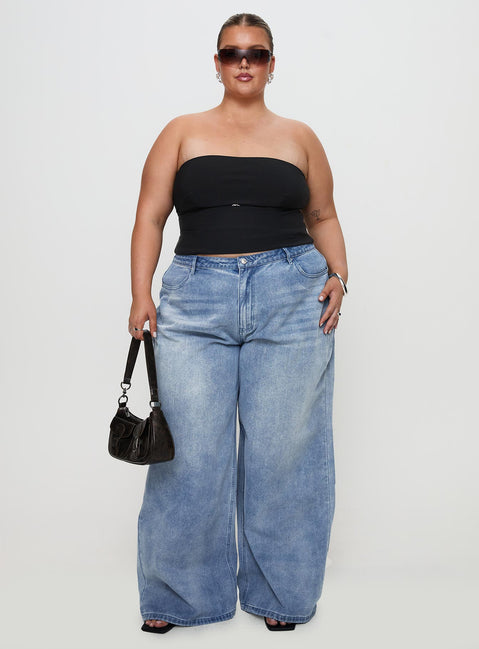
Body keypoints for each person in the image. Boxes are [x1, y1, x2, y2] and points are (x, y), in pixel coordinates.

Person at [128, 12, 348, 634]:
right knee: (190, 455)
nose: (243, 62)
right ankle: (178, 598)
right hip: (196, 297)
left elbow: (324, 215)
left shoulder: (299, 136)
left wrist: (341, 275)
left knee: (285, 453)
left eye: (256, 53)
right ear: (218, 63)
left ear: (272, 64)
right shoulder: (182, 131)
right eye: (231, 53)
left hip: (291, 295)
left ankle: (280, 596)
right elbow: (150, 215)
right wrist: (140, 294)